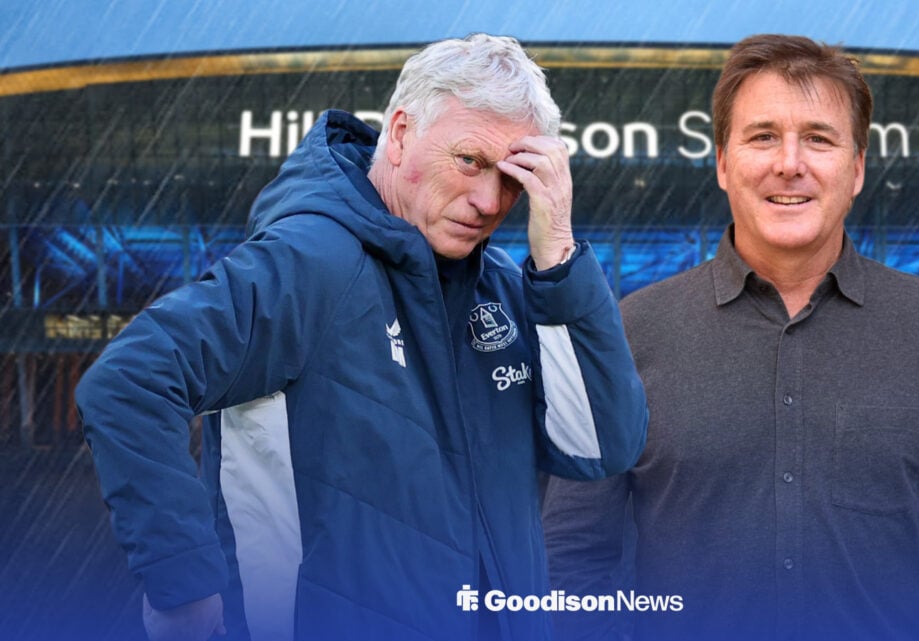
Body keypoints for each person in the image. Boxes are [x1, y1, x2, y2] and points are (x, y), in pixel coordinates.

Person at [76, 33, 647, 641]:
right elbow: (130, 382)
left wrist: (557, 254)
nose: (488, 201)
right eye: (470, 162)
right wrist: (184, 586)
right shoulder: (312, 262)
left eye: (512, 179)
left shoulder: (504, 290)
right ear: (399, 134)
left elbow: (599, 446)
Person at [542, 34, 919, 641]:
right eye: (763, 136)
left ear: (856, 170)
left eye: (819, 138)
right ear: (722, 162)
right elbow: (570, 562)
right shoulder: (629, 333)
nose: (789, 163)